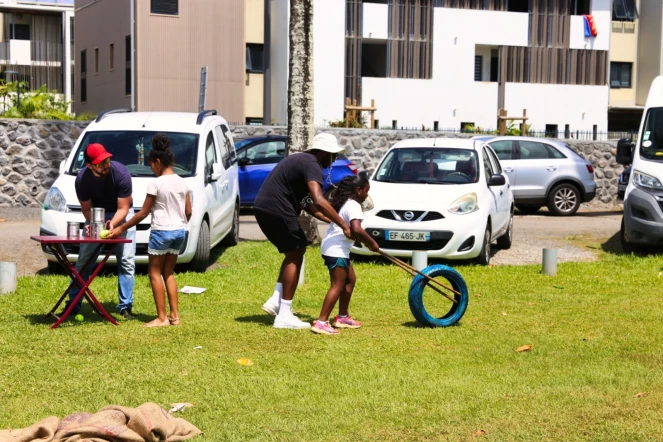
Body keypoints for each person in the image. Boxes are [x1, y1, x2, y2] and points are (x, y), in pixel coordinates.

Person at [254, 133, 353, 330]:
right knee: (297, 251)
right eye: (332, 155)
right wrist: (343, 224)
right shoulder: (312, 164)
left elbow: (305, 202)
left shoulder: (301, 161)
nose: (333, 159)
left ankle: (276, 300)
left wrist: (330, 221)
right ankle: (283, 314)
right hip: (277, 209)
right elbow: (318, 199)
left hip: (265, 208)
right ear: (322, 152)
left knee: (294, 250)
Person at [107, 134, 191, 327]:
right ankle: (175, 317)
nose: (151, 169)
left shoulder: (156, 183)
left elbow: (143, 213)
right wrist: (180, 223)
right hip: (179, 231)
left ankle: (161, 318)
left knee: (154, 273)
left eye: (151, 165)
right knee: (168, 272)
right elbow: (188, 211)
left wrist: (120, 228)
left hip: (161, 232)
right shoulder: (182, 181)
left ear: (158, 162)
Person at [63, 143, 137, 319]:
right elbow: (87, 209)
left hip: (121, 213)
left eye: (107, 160)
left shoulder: (121, 173)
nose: (106, 165)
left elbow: (124, 208)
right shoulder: (82, 179)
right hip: (97, 213)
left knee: (126, 260)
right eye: (100, 163)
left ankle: (125, 306)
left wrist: (114, 225)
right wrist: (92, 224)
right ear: (89, 165)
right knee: (84, 261)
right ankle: (73, 304)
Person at [311, 176, 380, 335]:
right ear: (358, 190)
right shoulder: (354, 205)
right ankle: (321, 322)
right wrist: (372, 243)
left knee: (350, 280)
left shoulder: (348, 203)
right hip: (336, 250)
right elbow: (356, 229)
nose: (366, 195)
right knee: (338, 285)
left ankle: (342, 317)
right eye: (366, 191)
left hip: (337, 248)